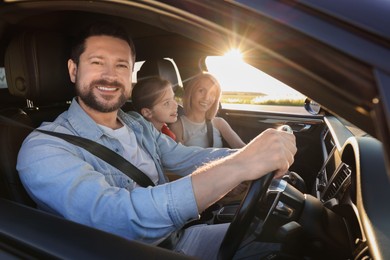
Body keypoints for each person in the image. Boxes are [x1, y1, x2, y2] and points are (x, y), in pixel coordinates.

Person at [17, 22, 297, 260]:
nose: (110, 75)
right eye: (97, 62)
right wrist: (238, 166)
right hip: (136, 252)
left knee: (292, 234)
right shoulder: (43, 148)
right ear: (73, 70)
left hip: (177, 236)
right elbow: (120, 219)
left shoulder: (136, 123)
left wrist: (253, 155)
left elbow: (185, 157)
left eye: (122, 66)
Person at [170, 73, 246, 148]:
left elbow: (241, 148)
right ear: (191, 92)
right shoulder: (178, 126)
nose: (206, 98)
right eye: (201, 91)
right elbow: (181, 157)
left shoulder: (219, 123)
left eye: (212, 93)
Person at [131, 76, 178, 140]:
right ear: (147, 112)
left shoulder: (166, 132)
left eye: (173, 98)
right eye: (166, 103)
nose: (176, 104)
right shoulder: (145, 140)